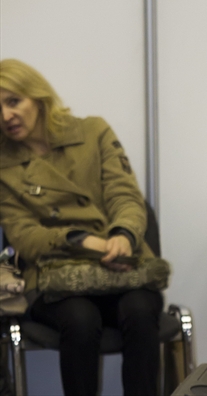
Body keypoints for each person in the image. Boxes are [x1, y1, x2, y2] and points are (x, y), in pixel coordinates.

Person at [0, 59, 162, 396]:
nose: (5, 116)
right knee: (80, 319)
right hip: (53, 278)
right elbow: (25, 237)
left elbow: (125, 196)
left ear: (38, 97)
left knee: (141, 310)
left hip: (120, 267)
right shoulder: (4, 164)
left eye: (13, 101)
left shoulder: (93, 132)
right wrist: (84, 241)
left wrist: (123, 235)